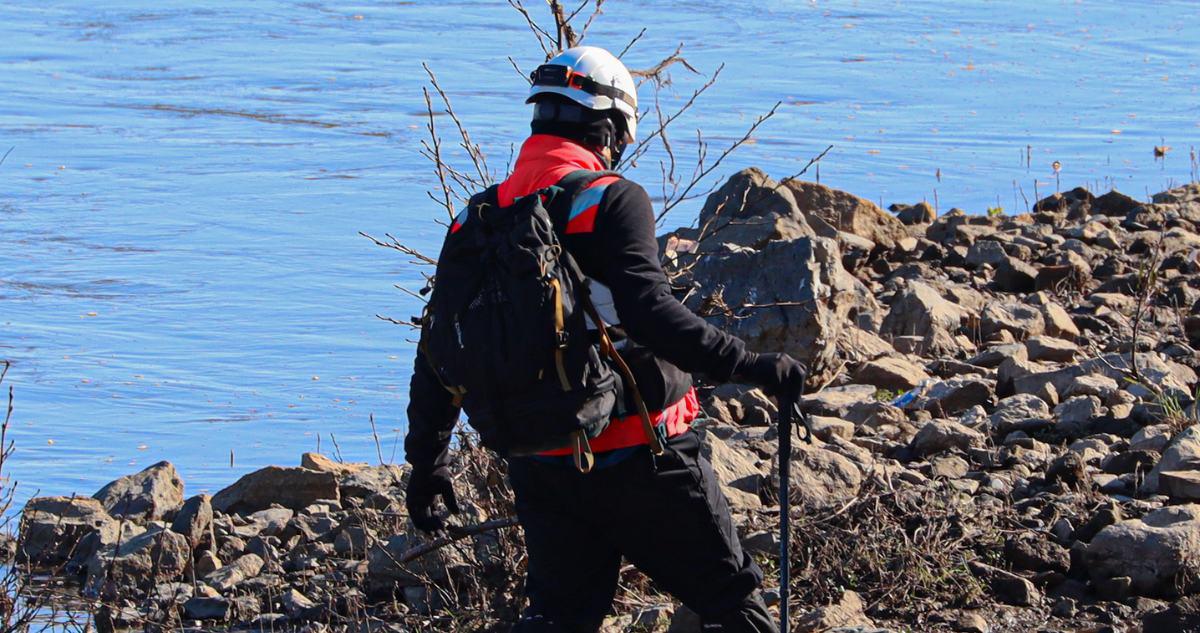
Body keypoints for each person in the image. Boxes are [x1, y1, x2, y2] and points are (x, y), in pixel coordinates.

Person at [404, 45, 807, 633]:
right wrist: (755, 364)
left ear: (540, 117)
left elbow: (438, 349)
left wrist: (428, 462)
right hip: (643, 457)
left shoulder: (477, 219)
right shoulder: (609, 198)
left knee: (560, 618)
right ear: (614, 126)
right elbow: (651, 316)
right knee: (732, 605)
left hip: (541, 464)